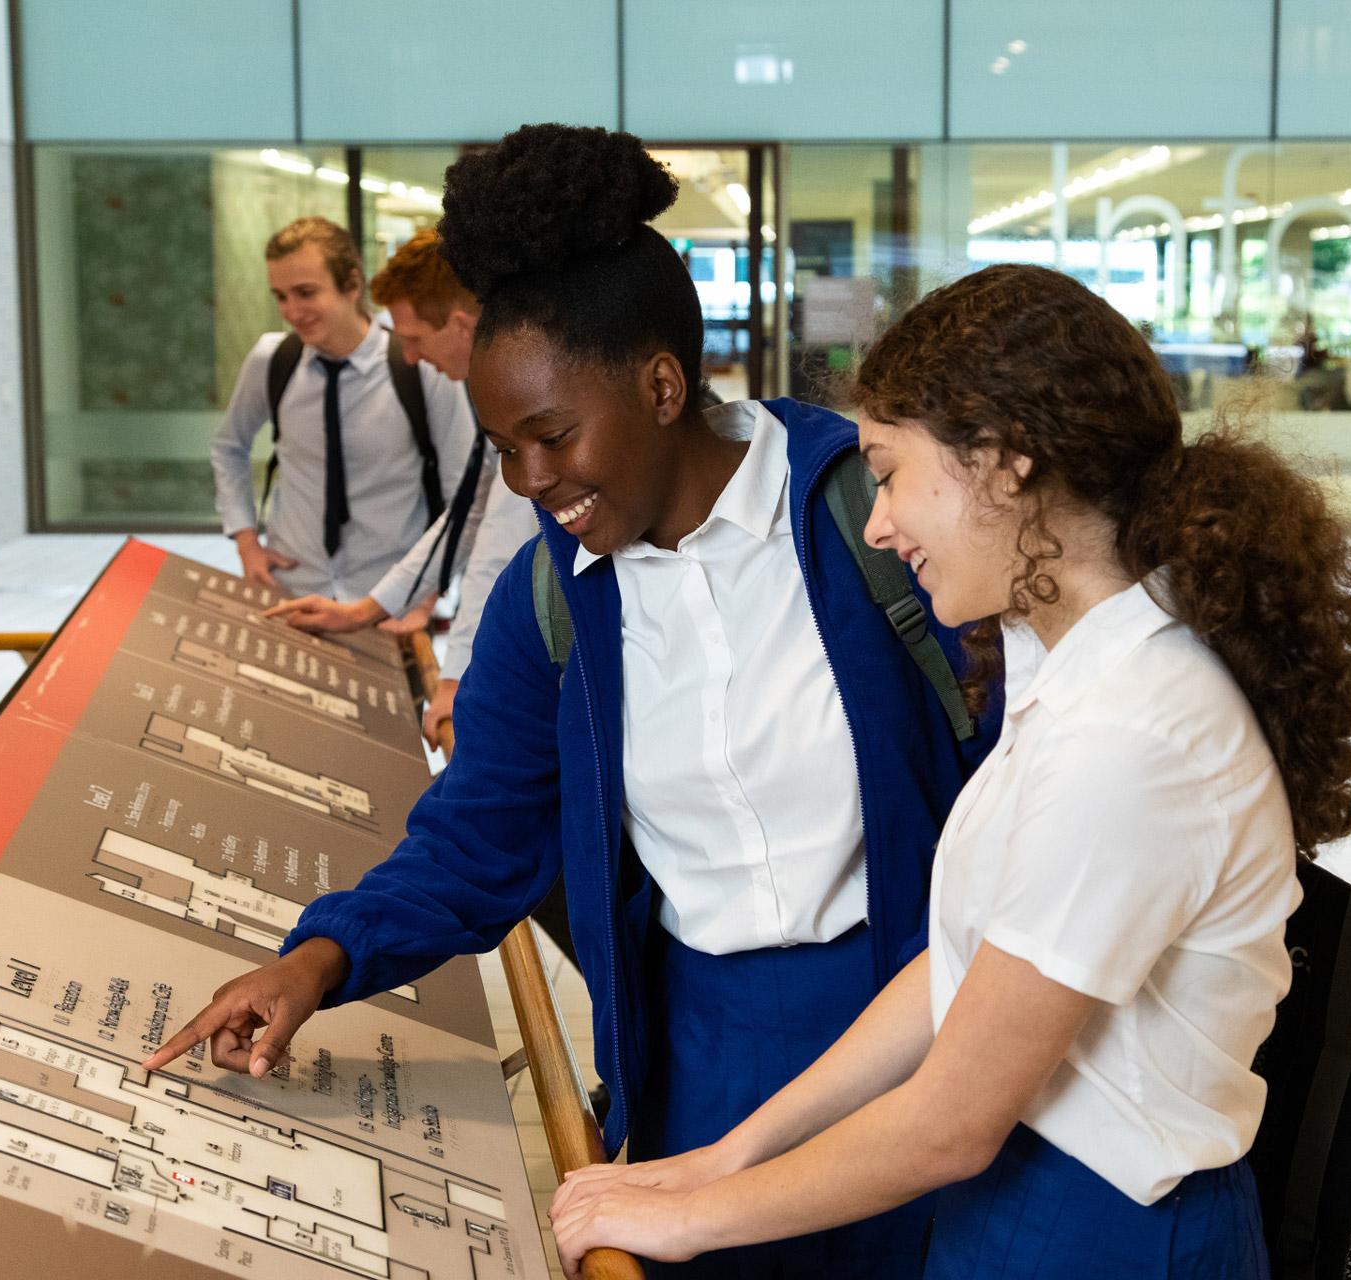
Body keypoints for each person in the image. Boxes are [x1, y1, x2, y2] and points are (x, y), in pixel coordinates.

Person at [146, 124, 992, 1277]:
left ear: (660, 383)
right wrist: (320, 960)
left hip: (920, 1039)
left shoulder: (870, 516)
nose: (532, 482)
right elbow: (480, 832)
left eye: (551, 435)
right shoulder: (551, 604)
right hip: (699, 1063)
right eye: (503, 448)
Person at [549, 264, 1351, 1278]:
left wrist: (691, 1220)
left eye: (891, 472)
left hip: (1107, 1233)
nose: (877, 522)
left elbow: (951, 1122)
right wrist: (724, 1157)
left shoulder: (1134, 730)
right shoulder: (1075, 666)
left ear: (1001, 463)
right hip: (1027, 1206)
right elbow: (963, 969)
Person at [265, 227, 538, 744]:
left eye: (413, 338)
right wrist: (367, 610)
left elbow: (496, 547)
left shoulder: (526, 396)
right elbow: (469, 510)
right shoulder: (495, 391)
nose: (408, 356)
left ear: (460, 326)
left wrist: (456, 675)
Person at [210, 217, 477, 598]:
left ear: (352, 284)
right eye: (280, 296)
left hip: (386, 597)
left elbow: (465, 494)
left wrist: (425, 595)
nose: (291, 310)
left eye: (305, 292)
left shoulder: (419, 365)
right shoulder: (271, 361)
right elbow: (229, 448)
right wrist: (246, 541)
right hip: (293, 587)